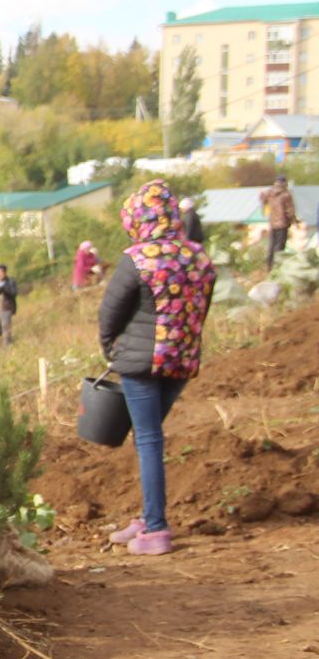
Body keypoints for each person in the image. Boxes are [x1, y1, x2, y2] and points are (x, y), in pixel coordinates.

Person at [99, 180, 217, 556]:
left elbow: (111, 312)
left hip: (141, 363)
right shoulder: (199, 257)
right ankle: (148, 516)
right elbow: (203, 308)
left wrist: (109, 348)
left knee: (148, 440)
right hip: (181, 360)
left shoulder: (139, 257)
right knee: (148, 438)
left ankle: (156, 528)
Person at [262, 175, 296, 270]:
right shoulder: (286, 194)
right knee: (280, 246)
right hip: (282, 223)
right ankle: (277, 267)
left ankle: (269, 265)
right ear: (284, 183)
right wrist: (294, 220)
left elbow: (262, 198)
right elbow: (289, 210)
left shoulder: (269, 193)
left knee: (272, 245)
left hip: (272, 223)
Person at [0, 265, 18, 348]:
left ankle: (8, 346)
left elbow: (14, 293)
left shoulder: (10, 281)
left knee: (6, 328)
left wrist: (5, 290)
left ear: (4, 273)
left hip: (6, 308)